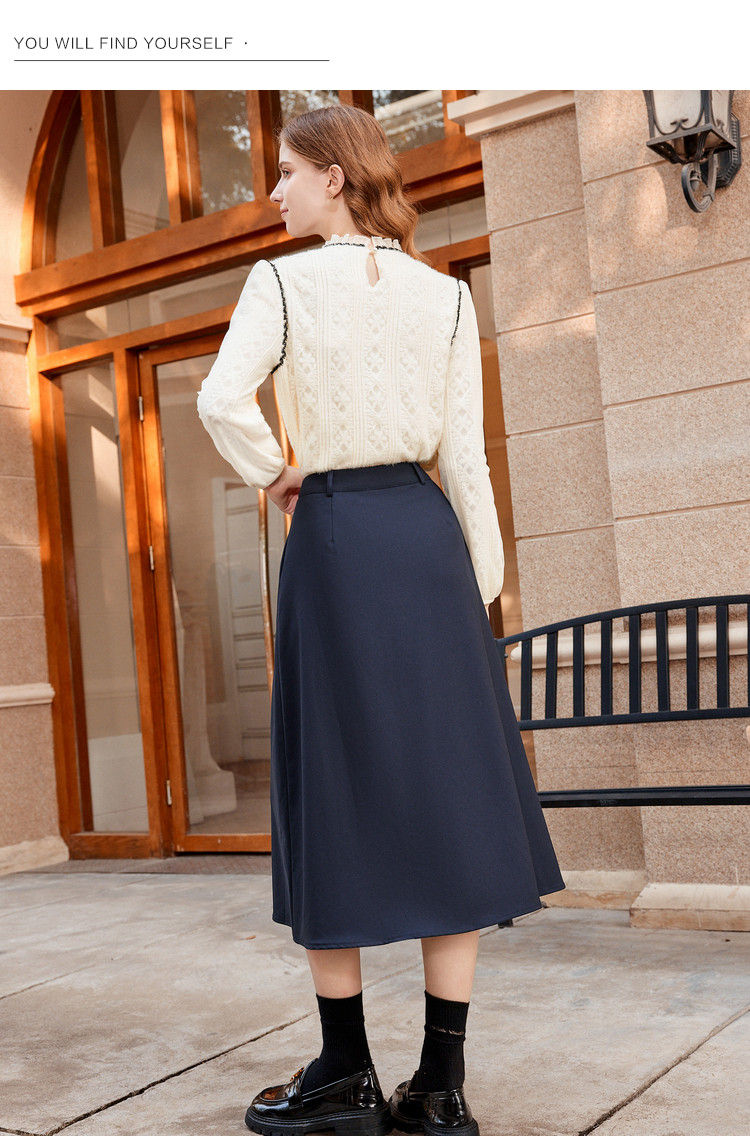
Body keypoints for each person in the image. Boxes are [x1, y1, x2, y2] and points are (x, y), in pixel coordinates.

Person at [197, 103, 564, 1136]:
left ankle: (343, 1072)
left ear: (334, 176)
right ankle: (441, 1087)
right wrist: (477, 591)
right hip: (429, 542)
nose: (273, 191)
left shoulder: (279, 283)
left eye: (284, 171)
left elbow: (221, 400)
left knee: (333, 790)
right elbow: (467, 456)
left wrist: (275, 475)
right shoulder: (445, 296)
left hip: (336, 536)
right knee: (452, 795)